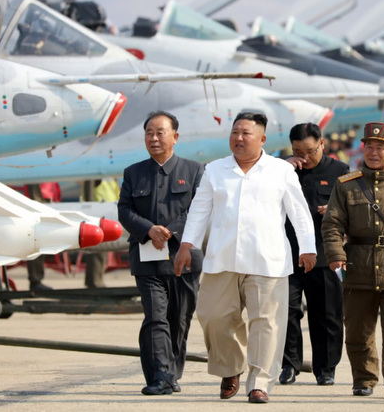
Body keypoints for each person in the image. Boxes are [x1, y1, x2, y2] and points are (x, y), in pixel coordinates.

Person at [173, 112, 316, 404]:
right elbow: (199, 210)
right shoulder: (215, 169)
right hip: (222, 258)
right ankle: (231, 367)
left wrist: (308, 247)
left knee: (266, 323)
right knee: (213, 316)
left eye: (246, 133)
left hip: (268, 260)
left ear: (262, 139)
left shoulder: (280, 170)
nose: (239, 138)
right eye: (235, 132)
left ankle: (260, 382)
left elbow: (298, 211)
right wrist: (186, 245)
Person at [118, 111, 204, 396]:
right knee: (155, 317)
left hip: (184, 259)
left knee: (179, 319)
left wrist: (168, 231)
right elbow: (124, 210)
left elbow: (199, 210)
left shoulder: (194, 171)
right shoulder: (133, 173)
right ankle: (159, 375)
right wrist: (148, 229)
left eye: (160, 132)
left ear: (175, 137)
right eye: (149, 133)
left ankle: (171, 373)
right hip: (146, 260)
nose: (153, 138)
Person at [321, 122, 384, 399]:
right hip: (357, 266)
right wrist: (336, 255)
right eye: (369, 146)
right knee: (359, 330)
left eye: (380, 147)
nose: (373, 152)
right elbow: (332, 224)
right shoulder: (346, 185)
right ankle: (364, 378)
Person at [279, 123, 349, 386]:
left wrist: (333, 211)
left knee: (327, 313)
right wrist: (285, 165)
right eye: (298, 151)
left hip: (324, 253)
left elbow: (350, 210)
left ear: (322, 143)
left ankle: (326, 367)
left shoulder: (339, 171)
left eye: (309, 151)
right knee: (286, 311)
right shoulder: (282, 170)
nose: (304, 158)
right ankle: (288, 364)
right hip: (289, 254)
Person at [82, 178, 121, 289]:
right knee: (97, 247)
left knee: (103, 249)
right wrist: (89, 208)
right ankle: (94, 281)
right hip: (97, 211)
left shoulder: (110, 174)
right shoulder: (99, 170)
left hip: (108, 211)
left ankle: (96, 280)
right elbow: (89, 187)